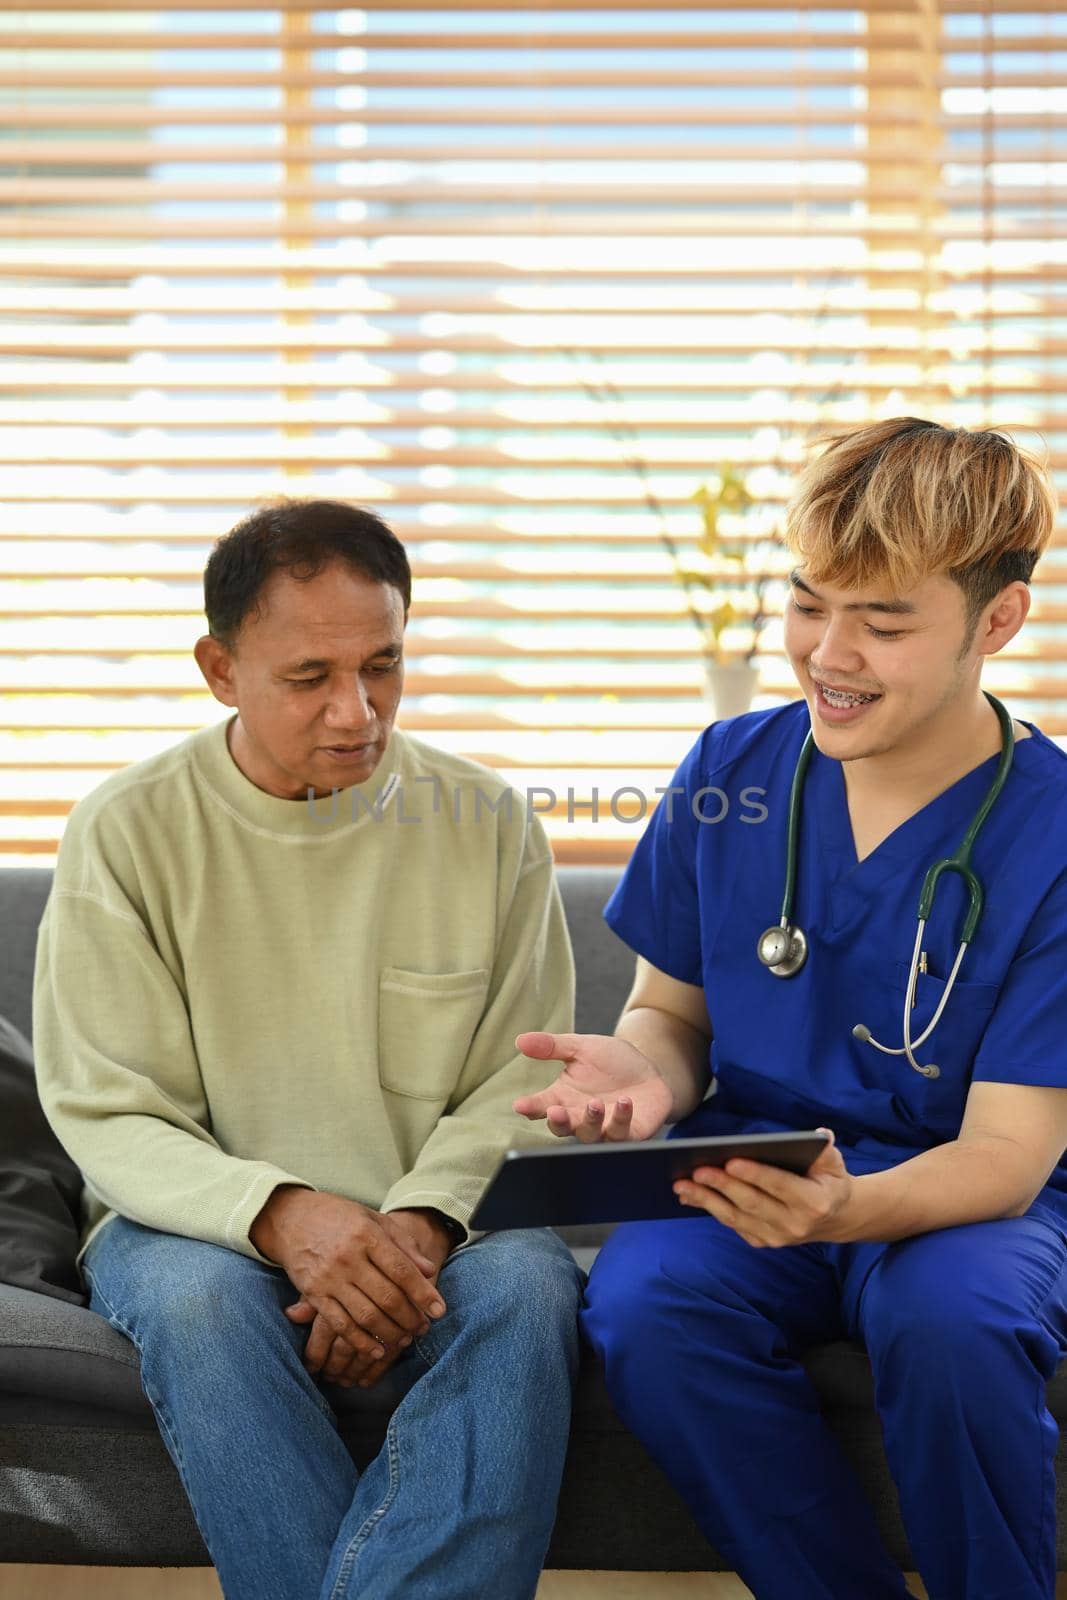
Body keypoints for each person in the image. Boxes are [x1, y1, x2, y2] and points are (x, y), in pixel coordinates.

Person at [514, 418, 1067, 1600]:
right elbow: (672, 1012)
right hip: (753, 1166)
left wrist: (845, 1211)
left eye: (882, 620)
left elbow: (1008, 1157)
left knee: (953, 1327)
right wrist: (647, 1072)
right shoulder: (729, 769)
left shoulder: (1053, 830)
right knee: (645, 1301)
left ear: (998, 620)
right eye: (810, 602)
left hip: (960, 1195)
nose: (828, 652)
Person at [33, 498, 583, 1600]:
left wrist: (412, 1231)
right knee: (195, 1306)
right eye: (309, 677)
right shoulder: (126, 829)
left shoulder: (485, 823)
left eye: (382, 665)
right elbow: (111, 1106)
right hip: (201, 1229)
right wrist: (289, 1217)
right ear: (220, 667)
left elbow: (521, 1079)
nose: (357, 710)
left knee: (529, 1289)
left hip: (442, 1225)